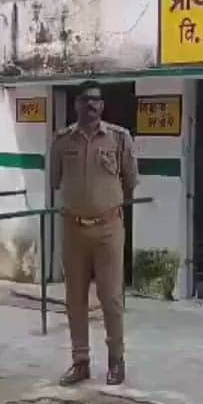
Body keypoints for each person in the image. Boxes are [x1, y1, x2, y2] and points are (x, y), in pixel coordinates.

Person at [49, 81, 137, 387]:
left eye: (97, 101)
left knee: (111, 297)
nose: (91, 106)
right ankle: (80, 361)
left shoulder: (119, 138)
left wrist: (105, 205)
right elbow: (55, 180)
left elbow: (130, 181)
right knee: (74, 298)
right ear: (76, 105)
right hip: (73, 229)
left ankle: (116, 360)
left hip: (108, 229)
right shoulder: (62, 140)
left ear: (102, 106)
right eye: (86, 100)